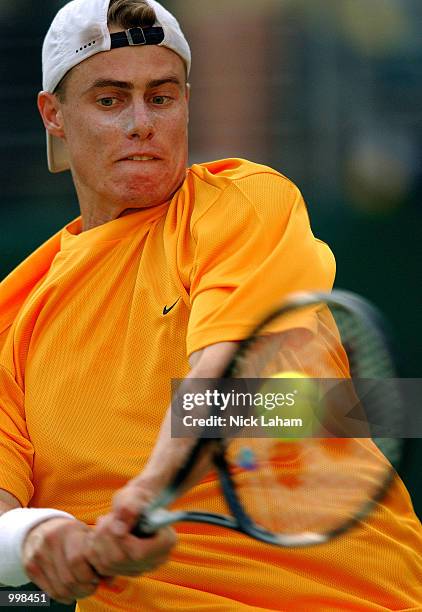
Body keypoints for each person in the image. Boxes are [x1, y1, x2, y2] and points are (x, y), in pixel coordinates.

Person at [0, 0, 421, 610]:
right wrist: (40, 538)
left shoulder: (245, 201)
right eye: (111, 100)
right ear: (54, 115)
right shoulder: (15, 314)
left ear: (186, 105)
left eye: (162, 97)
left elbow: (231, 382)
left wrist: (148, 492)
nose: (142, 123)